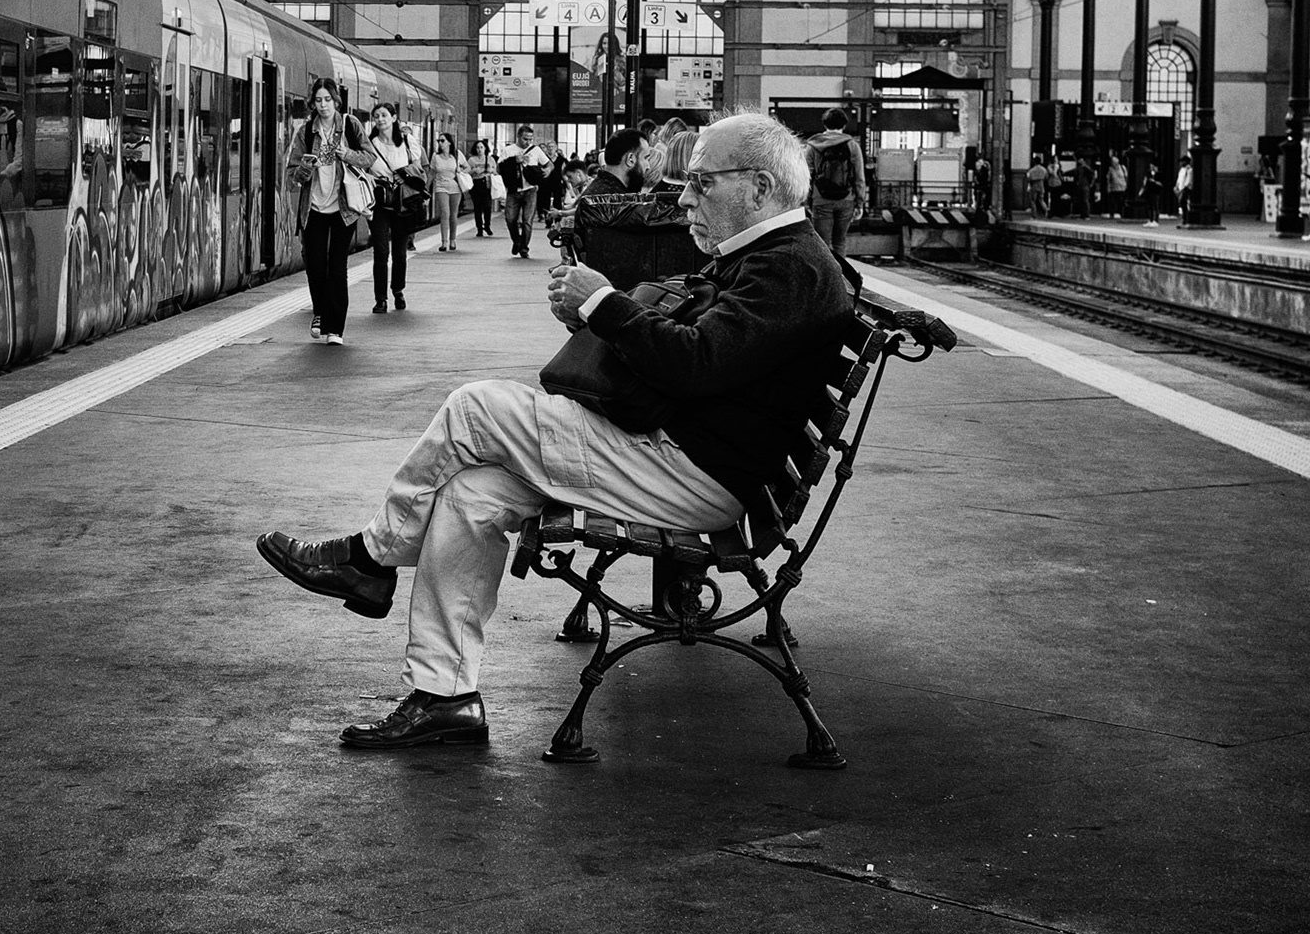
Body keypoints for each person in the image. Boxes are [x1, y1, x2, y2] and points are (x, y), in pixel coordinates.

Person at [256, 113, 858, 749]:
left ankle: (368, 559)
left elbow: (694, 362)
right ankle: (444, 695)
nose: (684, 198)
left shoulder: (790, 268)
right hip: (673, 453)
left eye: (702, 183)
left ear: (760, 187)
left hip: (692, 472)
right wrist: (604, 317)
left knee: (473, 408)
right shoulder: (773, 256)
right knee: (470, 495)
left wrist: (602, 303)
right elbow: (702, 355)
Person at [287, 79, 374, 345]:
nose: (323, 105)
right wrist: (305, 167)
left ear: (336, 101)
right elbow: (292, 175)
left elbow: (370, 157)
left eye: (328, 100)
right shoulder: (306, 131)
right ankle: (321, 312)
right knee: (315, 266)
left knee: (337, 268)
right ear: (312, 103)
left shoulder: (350, 125)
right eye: (318, 100)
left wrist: (347, 154)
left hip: (343, 208)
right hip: (313, 207)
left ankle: (335, 329)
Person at [366, 102, 419, 314]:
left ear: (394, 118)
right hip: (379, 203)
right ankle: (380, 299)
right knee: (380, 251)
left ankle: (398, 290)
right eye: (376, 116)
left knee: (399, 252)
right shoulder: (370, 144)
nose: (380, 119)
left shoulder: (407, 141)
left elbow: (419, 167)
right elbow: (363, 170)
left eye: (384, 115)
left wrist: (404, 175)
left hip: (402, 203)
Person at [803, 109, 866, 252]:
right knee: (840, 243)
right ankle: (839, 267)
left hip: (820, 200)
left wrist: (806, 202)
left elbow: (806, 176)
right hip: (846, 200)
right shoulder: (852, 146)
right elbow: (859, 177)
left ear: (825, 124)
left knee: (822, 245)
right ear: (844, 125)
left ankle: (824, 267)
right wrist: (860, 203)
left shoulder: (813, 146)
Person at [496, 124, 551, 259]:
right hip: (513, 190)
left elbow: (549, 164)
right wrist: (514, 161)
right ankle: (517, 241)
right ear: (518, 137)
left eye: (530, 139)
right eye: (525, 139)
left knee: (527, 221)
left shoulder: (536, 150)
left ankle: (524, 248)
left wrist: (548, 170)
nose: (528, 142)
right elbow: (499, 169)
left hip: (530, 190)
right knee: (510, 219)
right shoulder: (508, 150)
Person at [425, 131, 466, 251]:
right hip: (441, 187)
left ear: (449, 142)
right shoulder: (435, 156)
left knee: (453, 215)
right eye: (438, 141)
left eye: (442, 140)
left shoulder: (457, 154)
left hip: (455, 187)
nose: (440, 143)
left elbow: (467, 166)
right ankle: (444, 242)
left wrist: (460, 171)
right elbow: (432, 173)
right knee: (445, 213)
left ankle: (453, 240)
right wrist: (426, 187)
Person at [584, 128, 647, 196]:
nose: (648, 166)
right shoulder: (614, 198)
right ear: (630, 159)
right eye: (645, 158)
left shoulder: (599, 189)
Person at [468, 138, 496, 237]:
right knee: (477, 208)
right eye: (477, 147)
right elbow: (467, 172)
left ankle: (487, 226)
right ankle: (479, 228)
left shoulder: (490, 159)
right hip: (476, 184)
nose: (479, 149)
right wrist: (474, 170)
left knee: (487, 206)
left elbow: (495, 171)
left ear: (485, 148)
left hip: (487, 184)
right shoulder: (471, 160)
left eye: (481, 147)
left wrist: (490, 170)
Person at [1025, 152, 1051, 218]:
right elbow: (1046, 177)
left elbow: (1028, 178)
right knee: (1041, 199)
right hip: (1041, 184)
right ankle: (1046, 210)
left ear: (1034, 162)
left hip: (1034, 185)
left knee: (1032, 201)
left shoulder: (1031, 170)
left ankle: (1034, 214)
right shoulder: (1044, 169)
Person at [1174, 151, 1194, 223]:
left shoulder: (1189, 170)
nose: (1181, 163)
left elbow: (1188, 181)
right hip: (1180, 189)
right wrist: (1176, 186)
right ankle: (1184, 217)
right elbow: (1179, 179)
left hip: (1185, 189)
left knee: (1184, 203)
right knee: (1181, 204)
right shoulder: (1182, 170)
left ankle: (1186, 218)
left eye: (1182, 161)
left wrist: (1182, 189)